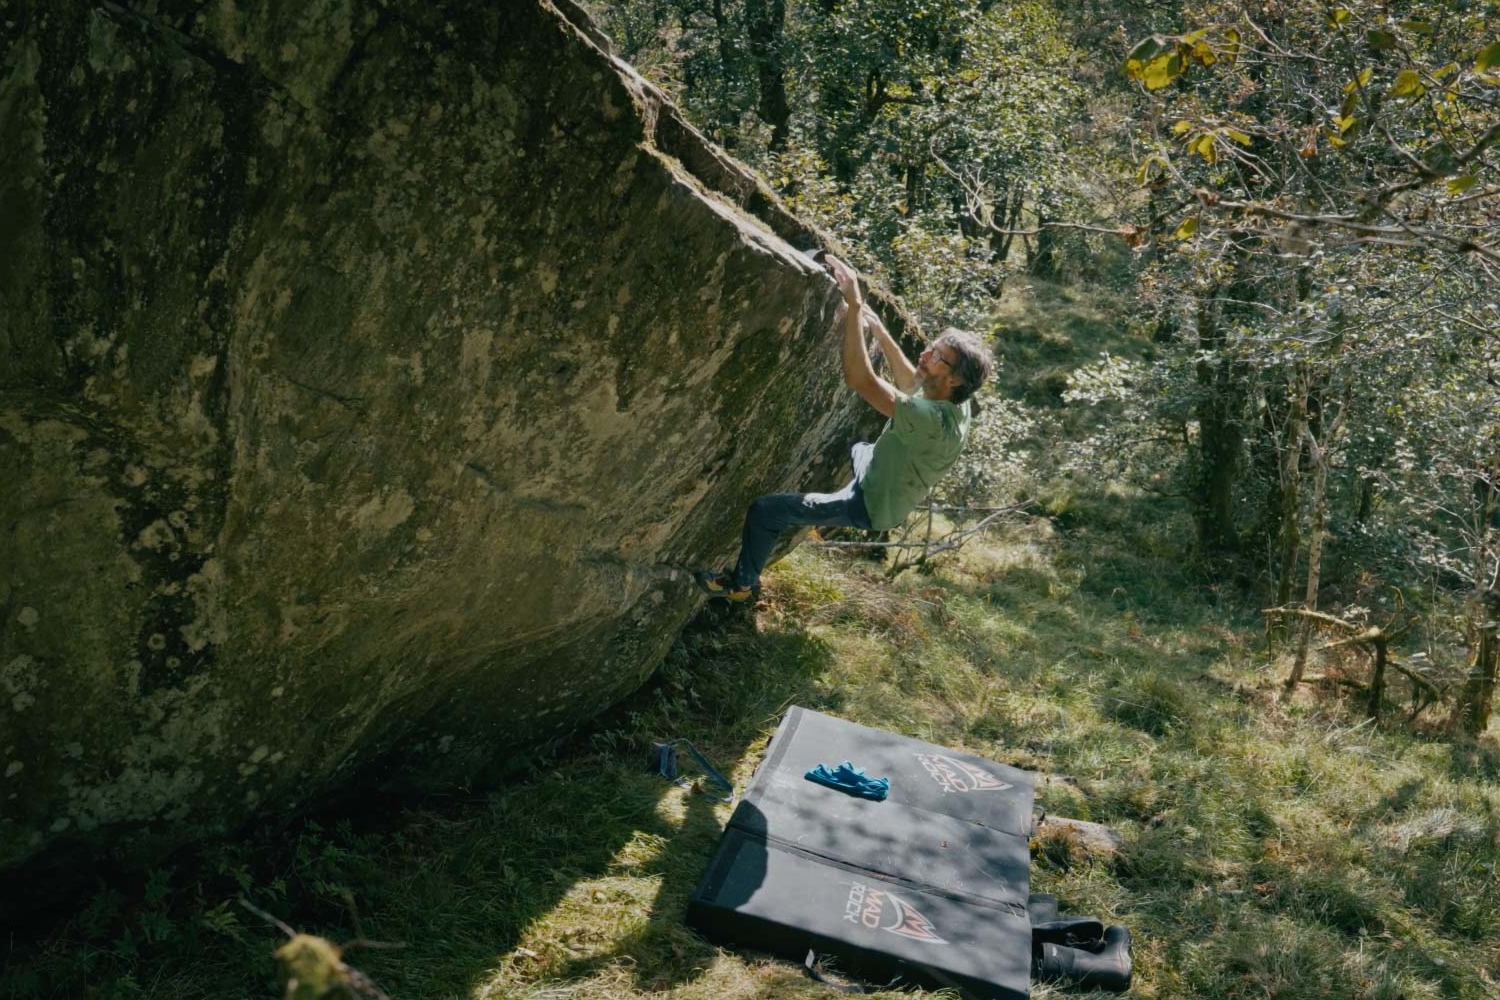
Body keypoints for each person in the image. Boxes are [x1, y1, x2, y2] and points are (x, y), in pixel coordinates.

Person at [695, 254, 993, 601]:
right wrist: (877, 328)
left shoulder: (931, 420)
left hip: (869, 503)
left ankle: (742, 586)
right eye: (931, 348)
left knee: (766, 511)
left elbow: (860, 380)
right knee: (856, 446)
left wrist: (854, 307)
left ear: (955, 379)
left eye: (937, 357)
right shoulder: (958, 399)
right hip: (876, 466)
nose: (925, 355)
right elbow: (912, 381)